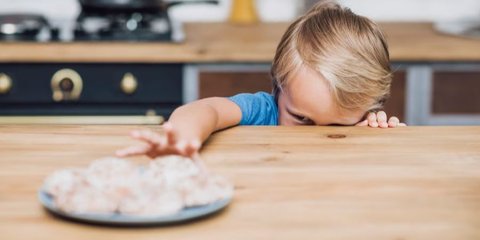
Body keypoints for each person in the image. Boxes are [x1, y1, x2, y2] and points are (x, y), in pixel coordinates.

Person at [116, 0, 406, 159]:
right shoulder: (263, 111)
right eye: (301, 119)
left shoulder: (364, 122)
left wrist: (374, 138)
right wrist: (182, 137)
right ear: (278, 88)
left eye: (336, 127)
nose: (313, 141)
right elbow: (206, 110)